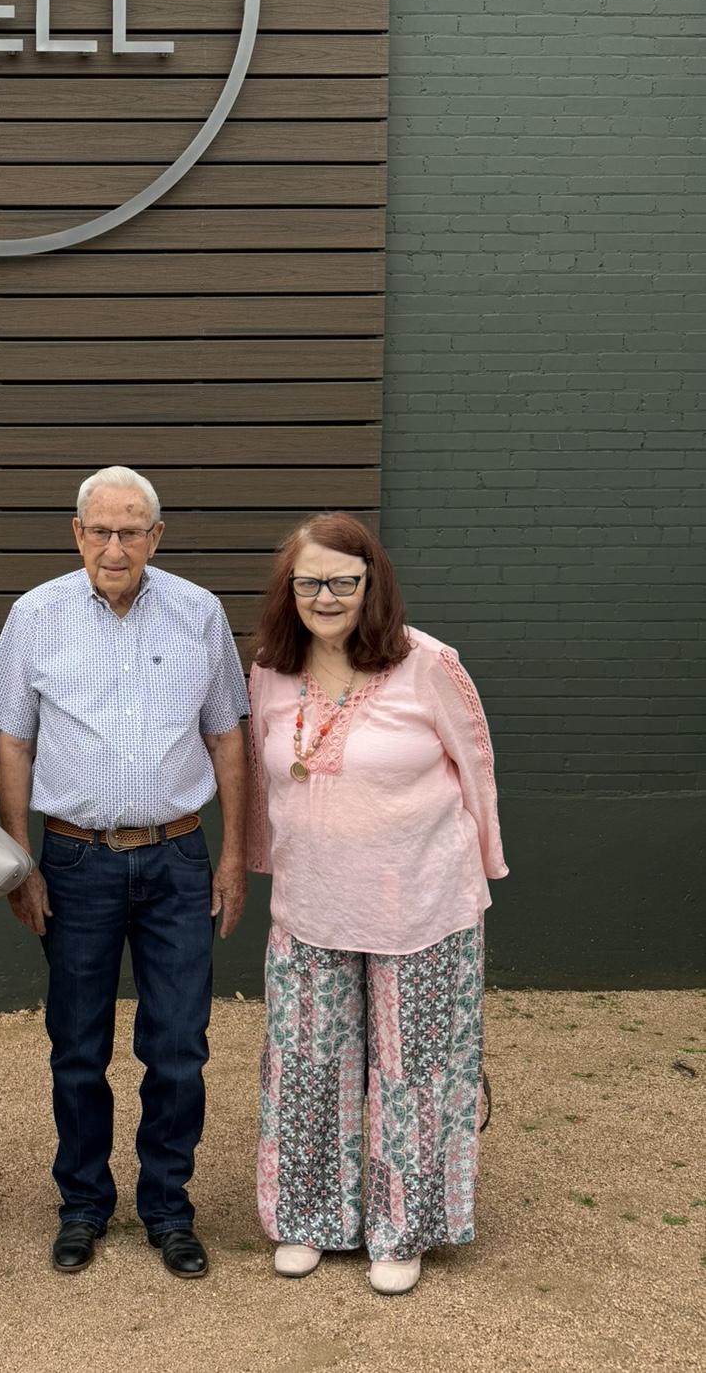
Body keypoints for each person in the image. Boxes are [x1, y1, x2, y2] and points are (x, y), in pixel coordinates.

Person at [0, 466, 249, 1280]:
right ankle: (84, 1205)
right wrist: (20, 862)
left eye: (132, 531)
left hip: (177, 857)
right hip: (74, 860)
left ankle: (168, 1208)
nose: (115, 546)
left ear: (156, 537)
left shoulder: (199, 612)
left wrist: (235, 856)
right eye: (100, 530)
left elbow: (227, 737)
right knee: (77, 1045)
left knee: (179, 1045)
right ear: (77, 533)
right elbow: (13, 743)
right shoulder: (36, 614)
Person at [245, 512, 508, 1295]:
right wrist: (263, 863)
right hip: (310, 906)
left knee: (413, 1073)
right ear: (289, 589)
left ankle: (402, 1229)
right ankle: (310, 1219)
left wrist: (485, 864)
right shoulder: (270, 671)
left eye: (343, 581)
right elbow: (261, 779)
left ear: (372, 584)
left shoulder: (428, 664)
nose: (325, 597)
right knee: (307, 1068)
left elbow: (477, 767)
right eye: (309, 581)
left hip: (420, 905)